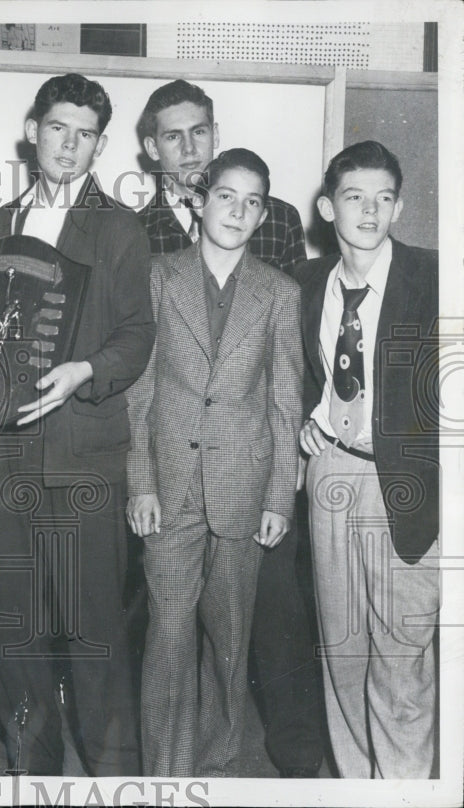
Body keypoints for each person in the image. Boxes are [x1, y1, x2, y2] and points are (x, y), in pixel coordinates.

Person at [136, 78, 323, 777]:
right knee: (168, 633)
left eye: (252, 202)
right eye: (226, 196)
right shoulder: (158, 276)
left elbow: (285, 402)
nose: (238, 211)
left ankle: (214, 764)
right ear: (199, 199)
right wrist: (140, 482)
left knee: (231, 638)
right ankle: (166, 775)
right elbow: (140, 391)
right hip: (171, 486)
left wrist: (280, 497)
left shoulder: (279, 292)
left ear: (262, 213)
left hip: (244, 488)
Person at [0, 73, 155, 776]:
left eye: (85, 135)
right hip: (7, 459)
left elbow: (137, 336)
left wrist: (85, 371)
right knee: (12, 631)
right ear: (34, 131)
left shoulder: (119, 227)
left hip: (84, 458)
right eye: (58, 128)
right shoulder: (1, 223)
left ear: (100, 146)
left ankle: (116, 781)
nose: (69, 145)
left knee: (94, 634)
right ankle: (35, 773)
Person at [296, 140, 439, 778]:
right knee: (343, 651)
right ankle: (359, 785)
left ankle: (403, 787)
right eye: (355, 197)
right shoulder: (305, 284)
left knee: (402, 653)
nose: (370, 211)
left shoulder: (435, 277)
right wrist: (307, 419)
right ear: (328, 207)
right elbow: (296, 373)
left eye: (384, 198)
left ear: (399, 207)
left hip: (407, 481)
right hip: (331, 469)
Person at [137, 80, 307, 276]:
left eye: (198, 132)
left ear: (215, 135)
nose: (189, 148)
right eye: (173, 137)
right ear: (152, 148)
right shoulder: (137, 232)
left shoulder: (280, 220)